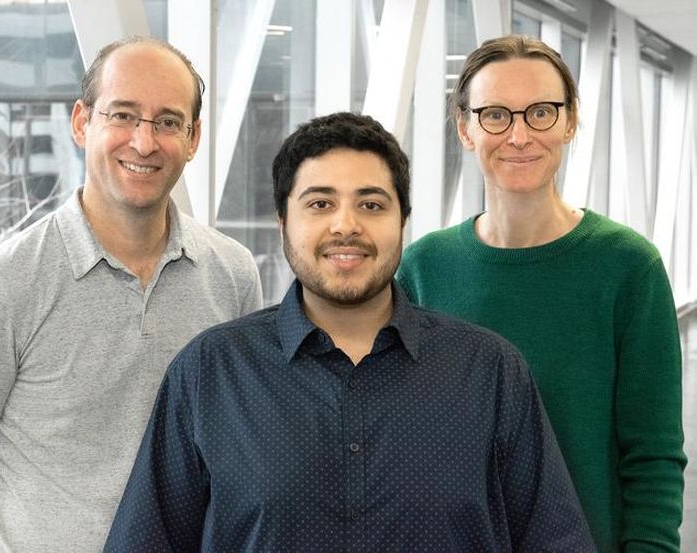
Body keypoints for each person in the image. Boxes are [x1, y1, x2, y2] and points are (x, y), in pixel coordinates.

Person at [103, 112, 594, 551]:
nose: (345, 226)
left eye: (372, 205)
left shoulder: (491, 373)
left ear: (403, 221)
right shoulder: (209, 373)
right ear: (282, 222)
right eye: (320, 204)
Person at [0, 36, 262, 552]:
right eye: (122, 115)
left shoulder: (233, 275)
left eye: (168, 122)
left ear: (193, 138)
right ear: (82, 123)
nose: (144, 143)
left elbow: (237, 453)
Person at [397, 35, 685, 552]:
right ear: (464, 128)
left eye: (541, 112)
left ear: (570, 121)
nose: (519, 135)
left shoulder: (628, 266)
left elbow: (653, 457)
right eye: (495, 115)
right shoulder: (423, 268)